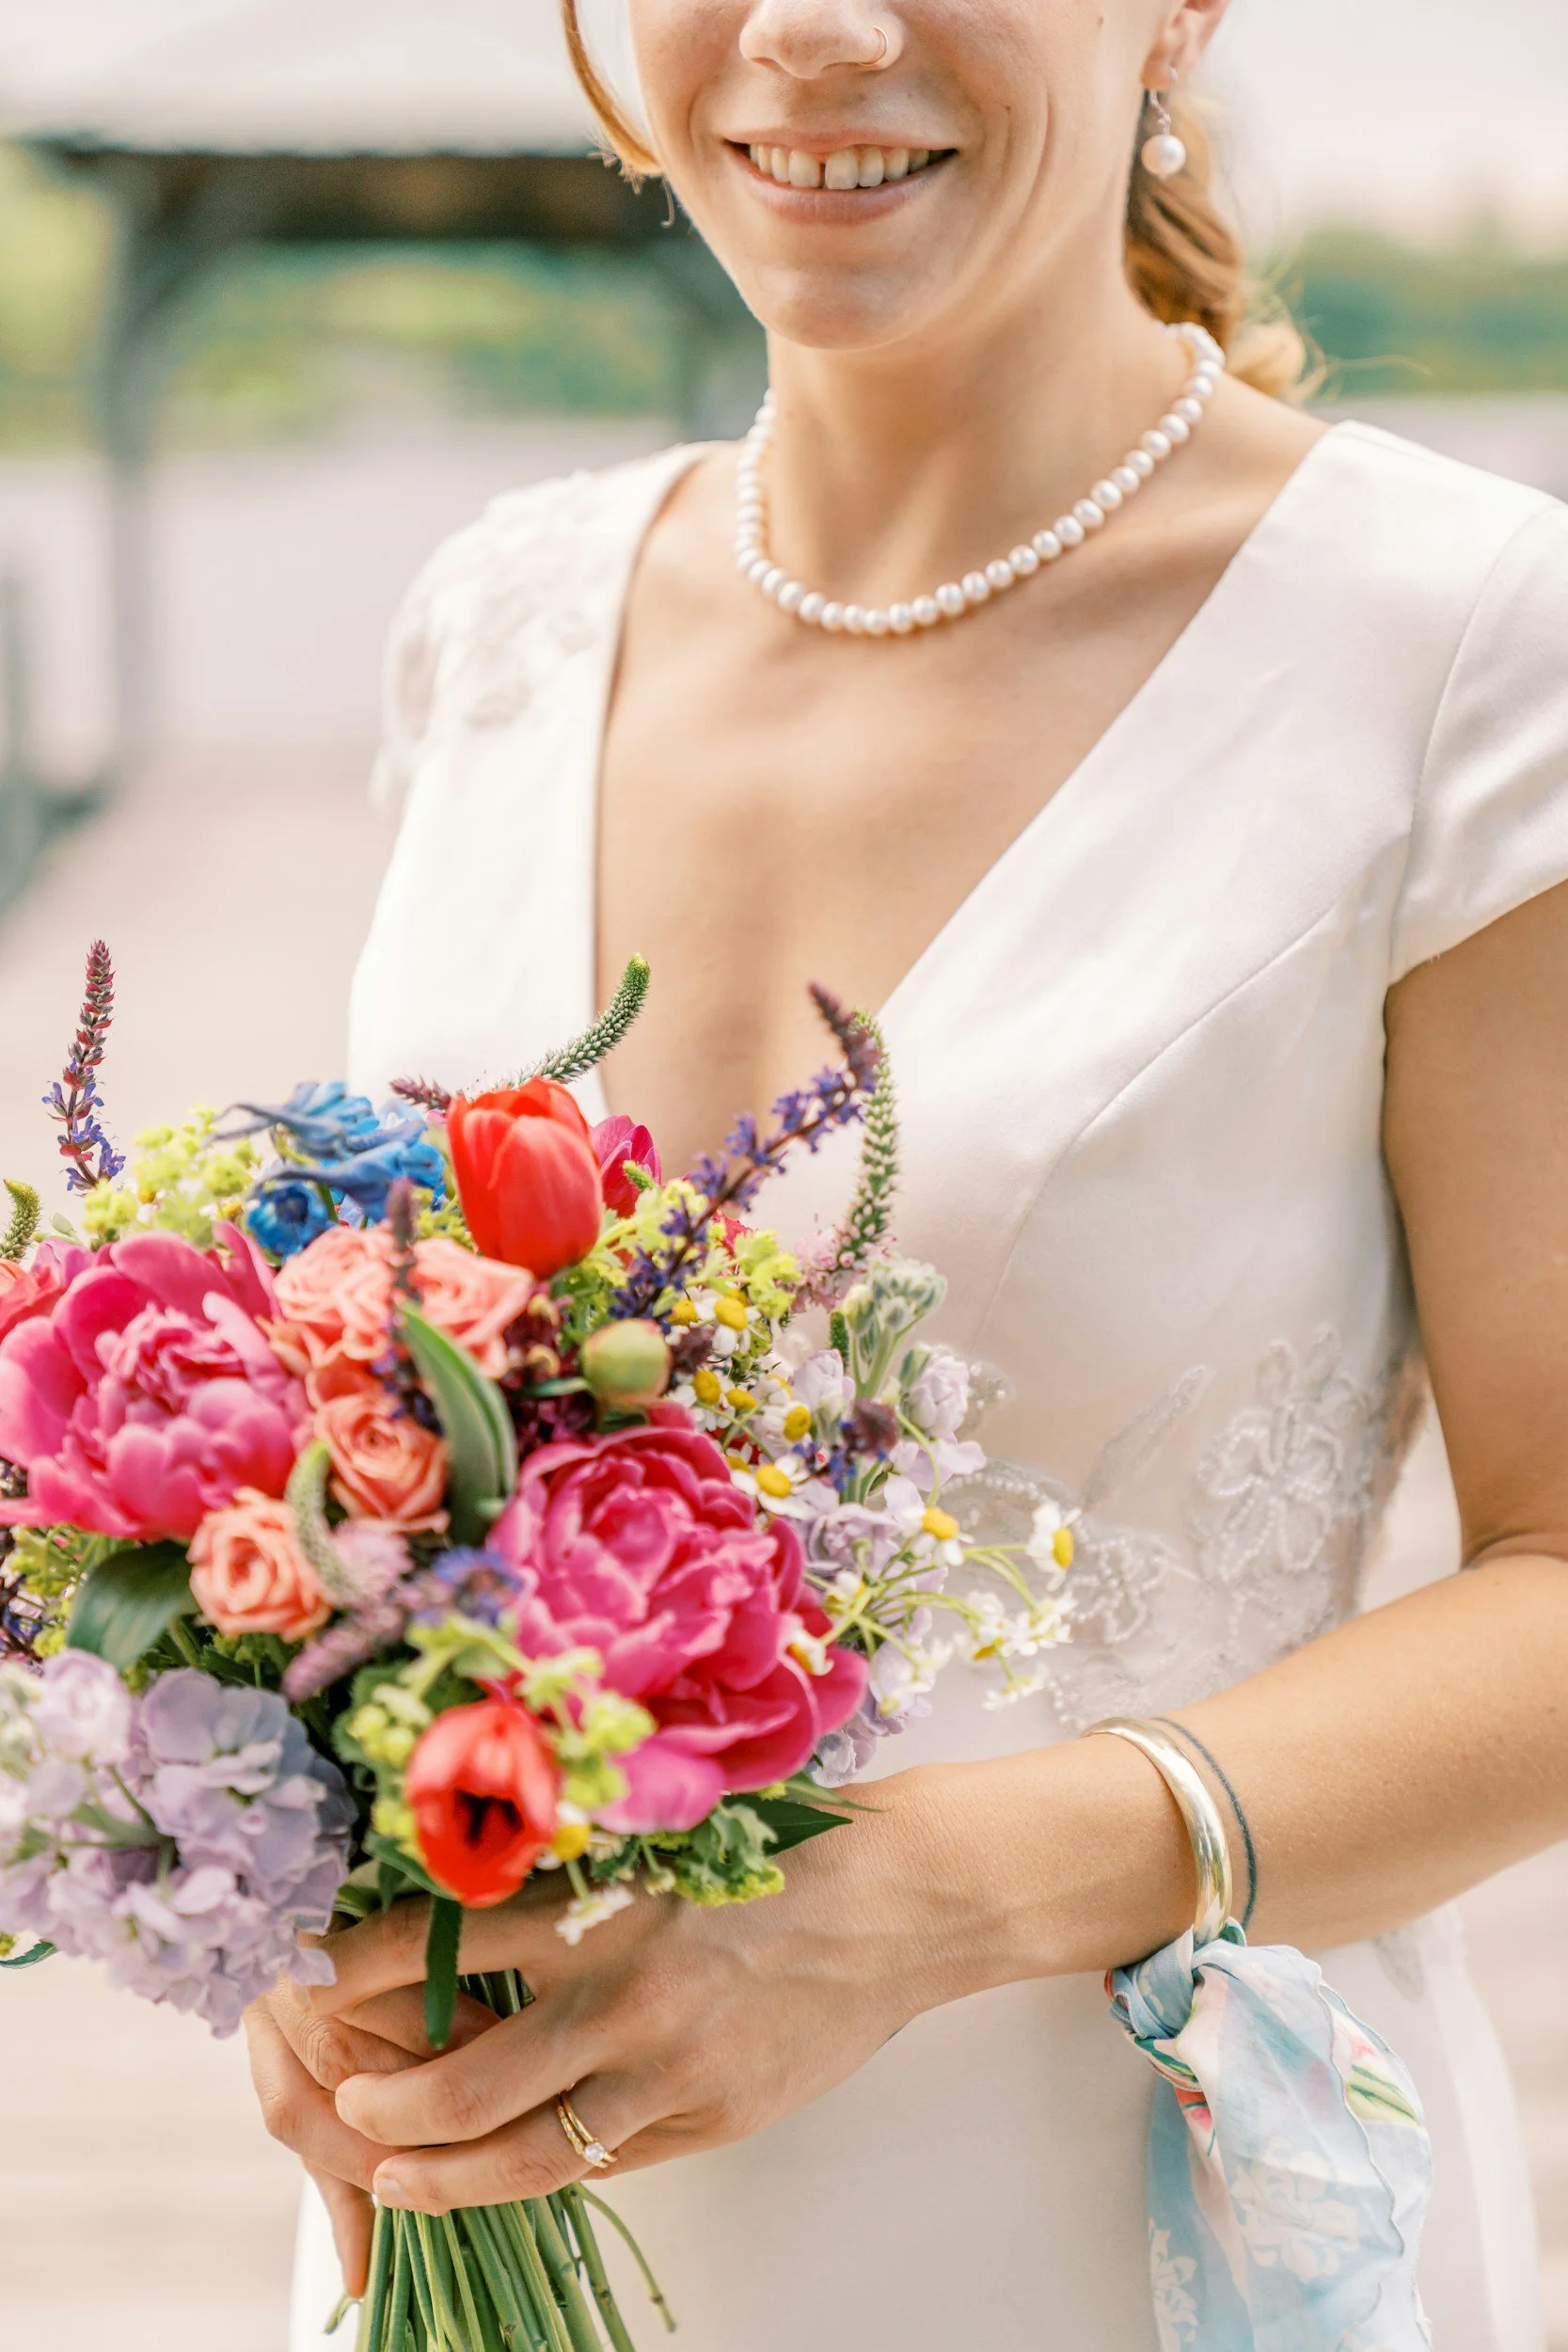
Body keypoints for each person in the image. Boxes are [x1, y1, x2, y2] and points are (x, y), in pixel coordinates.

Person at [251, 3, 1568, 2344]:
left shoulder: (1465, 650)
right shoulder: (500, 621)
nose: (819, 28)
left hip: (1121, 2236)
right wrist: (298, 1887)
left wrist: (929, 1894)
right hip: (493, 2236)